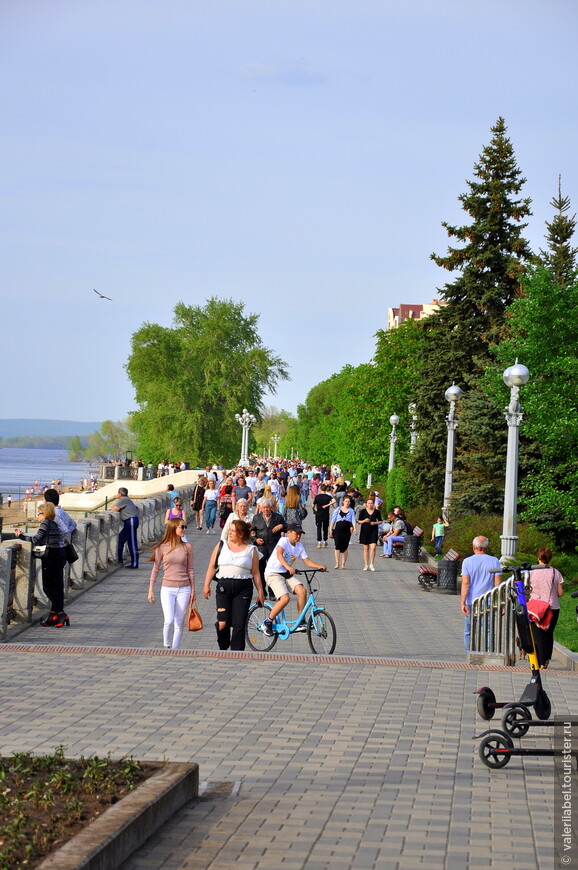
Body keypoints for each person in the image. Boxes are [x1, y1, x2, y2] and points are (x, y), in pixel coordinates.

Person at [204, 519, 264, 651]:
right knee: (222, 623)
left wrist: (261, 592)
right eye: (229, 530)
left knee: (239, 624)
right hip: (223, 588)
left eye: (232, 531)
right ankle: (223, 646)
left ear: (241, 534)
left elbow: (255, 572)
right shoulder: (222, 545)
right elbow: (211, 567)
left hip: (243, 589)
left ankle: (237, 653)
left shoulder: (251, 550)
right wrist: (206, 585)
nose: (229, 533)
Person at [262, 524, 327, 637]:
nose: (298, 536)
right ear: (289, 533)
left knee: (302, 591)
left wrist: (319, 566)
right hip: (273, 573)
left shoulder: (299, 546)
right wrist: (288, 567)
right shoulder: (283, 541)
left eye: (300, 534)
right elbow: (279, 554)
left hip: (286, 574)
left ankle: (301, 621)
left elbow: (307, 561)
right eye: (296, 533)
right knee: (285, 598)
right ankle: (267, 622)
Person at [15, 501, 68, 626]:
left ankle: (61, 613)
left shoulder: (45, 523)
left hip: (50, 557)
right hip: (59, 554)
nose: (38, 516)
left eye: (39, 513)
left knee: (47, 587)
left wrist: (21, 536)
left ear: (44, 514)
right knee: (57, 587)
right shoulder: (54, 523)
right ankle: (55, 616)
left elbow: (35, 539)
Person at [148, 518, 195, 649]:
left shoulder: (187, 547)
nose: (185, 529)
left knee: (179, 622)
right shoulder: (162, 548)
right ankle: (166, 646)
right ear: (174, 528)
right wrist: (151, 589)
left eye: (185, 527)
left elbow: (190, 569)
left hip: (184, 588)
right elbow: (156, 569)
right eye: (182, 527)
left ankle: (175, 650)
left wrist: (193, 591)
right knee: (169, 620)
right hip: (167, 588)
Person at [460, 536, 502, 651]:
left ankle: (470, 654)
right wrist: (501, 603)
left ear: (474, 547)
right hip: (488, 601)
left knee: (469, 631)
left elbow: (466, 583)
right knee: (488, 631)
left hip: (472, 600)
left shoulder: (467, 561)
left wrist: (462, 601)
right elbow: (498, 584)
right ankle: (489, 653)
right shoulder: (494, 561)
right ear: (486, 547)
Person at [528, 547, 564, 669]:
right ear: (550, 558)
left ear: (538, 557)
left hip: (536, 608)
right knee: (548, 634)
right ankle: (546, 660)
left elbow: (527, 589)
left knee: (537, 635)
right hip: (552, 607)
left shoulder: (532, 571)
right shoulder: (555, 572)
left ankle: (539, 661)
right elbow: (560, 593)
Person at [250, 498, 286, 599]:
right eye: (264, 508)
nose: (266, 509)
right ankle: (263, 592)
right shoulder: (256, 518)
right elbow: (251, 532)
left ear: (271, 508)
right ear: (260, 508)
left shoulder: (277, 517)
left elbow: (287, 527)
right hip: (261, 548)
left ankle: (272, 592)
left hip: (274, 548)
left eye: (267, 508)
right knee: (260, 570)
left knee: (273, 571)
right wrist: (255, 539)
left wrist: (281, 526)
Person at [111, 487, 139, 568]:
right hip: (129, 522)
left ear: (120, 494)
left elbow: (114, 509)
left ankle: (135, 563)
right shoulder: (126, 500)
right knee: (120, 539)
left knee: (132, 542)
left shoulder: (124, 500)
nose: (117, 494)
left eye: (118, 493)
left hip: (130, 521)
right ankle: (120, 559)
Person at [329, 495, 356, 569]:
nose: (347, 503)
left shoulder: (351, 510)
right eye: (346, 501)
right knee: (337, 545)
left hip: (346, 529)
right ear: (343, 501)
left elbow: (353, 520)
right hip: (338, 529)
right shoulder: (338, 509)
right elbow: (333, 520)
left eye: (348, 501)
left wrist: (355, 529)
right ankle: (337, 563)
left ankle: (343, 564)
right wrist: (330, 529)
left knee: (345, 546)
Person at [358, 496, 382, 570]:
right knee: (366, 548)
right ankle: (366, 564)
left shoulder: (377, 512)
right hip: (365, 531)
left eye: (371, 503)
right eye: (369, 503)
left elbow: (380, 521)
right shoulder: (363, 511)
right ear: (366, 504)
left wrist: (374, 523)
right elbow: (359, 521)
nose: (370, 505)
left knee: (373, 547)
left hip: (373, 530)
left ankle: (371, 563)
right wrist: (365, 521)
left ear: (373, 504)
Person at [313, 483, 334, 548]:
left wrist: (314, 510)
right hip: (326, 514)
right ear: (326, 489)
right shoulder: (328, 497)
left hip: (318, 514)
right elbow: (334, 501)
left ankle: (319, 542)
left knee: (318, 528)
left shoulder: (317, 497)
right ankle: (325, 541)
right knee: (325, 528)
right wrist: (327, 505)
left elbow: (313, 505)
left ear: (320, 489)